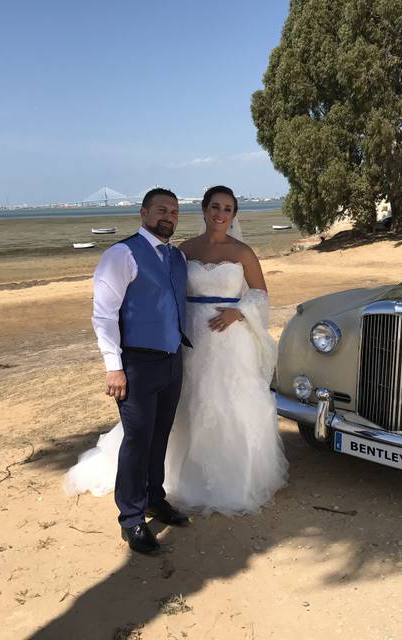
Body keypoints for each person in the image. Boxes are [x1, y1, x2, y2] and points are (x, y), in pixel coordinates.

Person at [64, 186, 287, 537]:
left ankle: (162, 495)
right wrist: (114, 364)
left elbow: (259, 294)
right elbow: (121, 309)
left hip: (217, 344)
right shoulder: (177, 252)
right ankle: (133, 516)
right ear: (203, 209)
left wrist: (238, 312)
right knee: (151, 429)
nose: (221, 213)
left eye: (228, 208)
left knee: (196, 413)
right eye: (215, 206)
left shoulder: (238, 252)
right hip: (184, 343)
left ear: (234, 214)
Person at [80, 187, 193, 555]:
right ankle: (130, 518)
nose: (169, 216)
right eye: (161, 209)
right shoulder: (122, 253)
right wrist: (114, 368)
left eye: (174, 212)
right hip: (137, 364)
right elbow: (104, 315)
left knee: (160, 435)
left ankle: (153, 498)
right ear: (143, 213)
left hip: (172, 359)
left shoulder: (176, 258)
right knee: (137, 440)